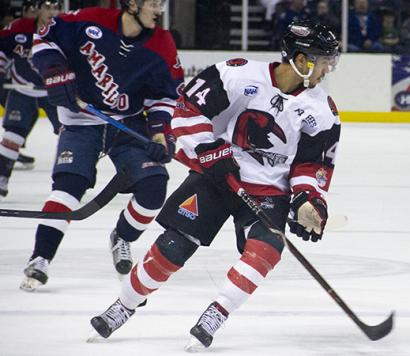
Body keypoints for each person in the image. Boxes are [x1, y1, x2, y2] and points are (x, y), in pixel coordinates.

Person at [89, 19, 341, 351]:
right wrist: (210, 151)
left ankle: (217, 313)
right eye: (324, 60)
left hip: (269, 191)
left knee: (266, 250)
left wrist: (308, 200)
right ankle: (125, 304)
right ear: (301, 59)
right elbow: (188, 109)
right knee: (172, 248)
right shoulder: (236, 74)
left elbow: (312, 165)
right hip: (218, 176)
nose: (328, 69)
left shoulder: (322, 111)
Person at [19, 0, 184, 292]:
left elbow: (165, 97)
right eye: (154, 3)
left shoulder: (162, 42)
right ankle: (40, 257)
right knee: (68, 187)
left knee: (154, 188)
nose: (159, 10)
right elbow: (44, 38)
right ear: (132, 4)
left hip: (128, 123)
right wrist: (56, 72)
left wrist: (160, 134)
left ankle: (122, 237)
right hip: (81, 121)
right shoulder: (89, 21)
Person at [0, 0, 61, 200]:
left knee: (72, 133)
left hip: (55, 91)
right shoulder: (18, 29)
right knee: (13, 136)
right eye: (47, 7)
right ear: (38, 10)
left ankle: (66, 181)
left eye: (55, 7)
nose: (51, 12)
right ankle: (1, 178)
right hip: (22, 90)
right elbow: (2, 50)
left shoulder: (65, 31)